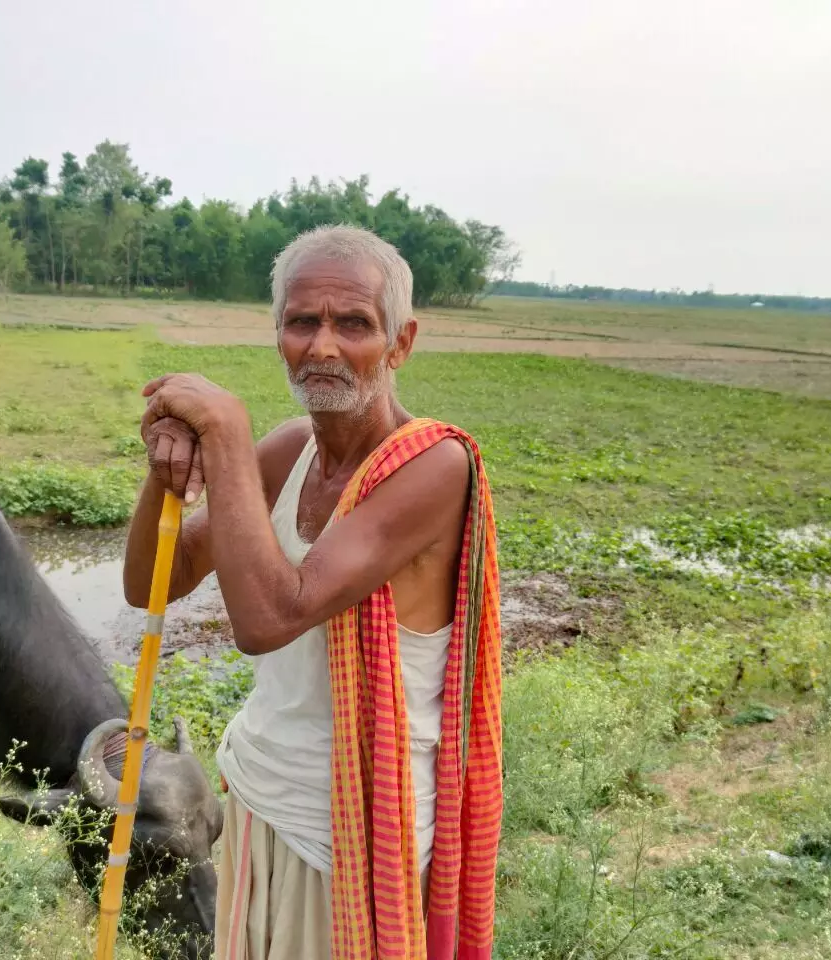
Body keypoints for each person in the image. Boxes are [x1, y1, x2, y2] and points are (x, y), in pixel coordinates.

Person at [122, 224, 503, 960]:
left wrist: (226, 435)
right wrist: (162, 469)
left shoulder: (435, 467)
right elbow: (153, 580)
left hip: (358, 830)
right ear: (279, 334)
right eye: (303, 322)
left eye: (354, 323)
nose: (323, 346)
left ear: (401, 342)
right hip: (262, 793)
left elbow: (271, 616)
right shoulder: (291, 449)